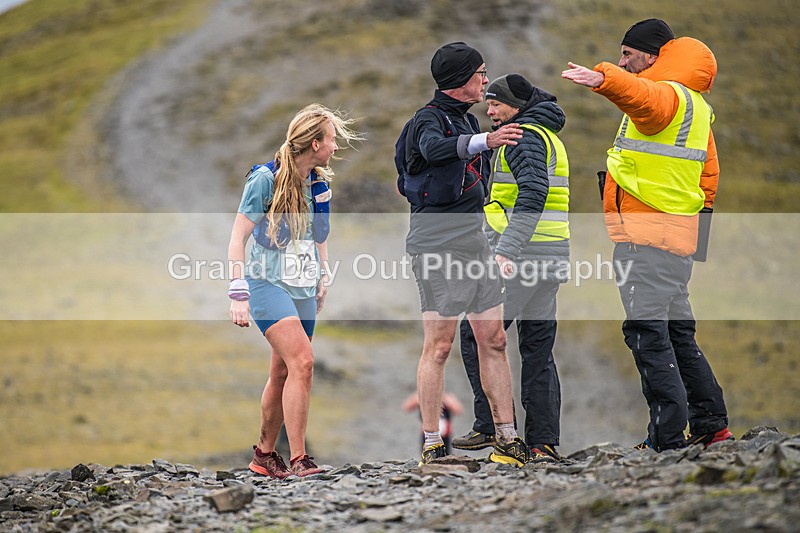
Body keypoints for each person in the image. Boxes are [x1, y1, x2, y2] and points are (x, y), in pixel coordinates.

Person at [562, 19, 732, 451]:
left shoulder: (665, 96)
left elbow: (640, 95)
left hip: (647, 241)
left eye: (628, 55)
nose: (624, 61)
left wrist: (603, 76)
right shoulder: (696, 106)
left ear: (654, 56)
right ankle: (712, 424)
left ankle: (665, 438)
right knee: (677, 333)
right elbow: (707, 177)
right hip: (675, 241)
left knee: (647, 335)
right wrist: (699, 242)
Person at [402, 42, 531, 467]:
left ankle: (507, 437)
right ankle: (432, 442)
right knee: (438, 347)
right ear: (460, 80)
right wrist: (486, 140)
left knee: (493, 339)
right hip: (436, 242)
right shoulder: (428, 120)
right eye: (480, 73)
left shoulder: (465, 119)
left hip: (475, 240)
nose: (485, 80)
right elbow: (434, 150)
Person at [227, 103, 362, 477]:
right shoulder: (265, 180)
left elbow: (319, 236)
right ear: (315, 143)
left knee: (283, 372)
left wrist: (323, 276)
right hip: (265, 283)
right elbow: (237, 237)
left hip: (302, 286)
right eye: (332, 140)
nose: (336, 147)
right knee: (303, 361)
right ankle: (301, 459)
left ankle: (264, 456)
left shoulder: (319, 182)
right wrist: (238, 292)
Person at [453, 74, 570, 463]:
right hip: (550, 258)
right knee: (538, 350)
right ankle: (543, 443)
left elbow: (534, 193)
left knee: (480, 336)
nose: (490, 110)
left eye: (497, 104)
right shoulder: (547, 134)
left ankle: (492, 428)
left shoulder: (524, 137)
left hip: (522, 259)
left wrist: (506, 251)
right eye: (488, 103)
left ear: (516, 107)